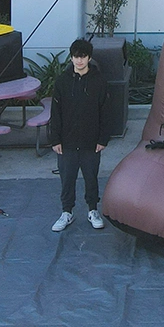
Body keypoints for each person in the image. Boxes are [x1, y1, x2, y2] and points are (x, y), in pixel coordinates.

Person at [49, 38, 110, 231]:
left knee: (91, 177)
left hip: (91, 142)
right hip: (66, 142)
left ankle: (93, 210)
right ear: (71, 58)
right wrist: (55, 139)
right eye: (76, 56)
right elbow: (55, 113)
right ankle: (66, 212)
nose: (79, 60)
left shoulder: (99, 82)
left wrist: (103, 139)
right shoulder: (62, 82)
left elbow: (106, 112)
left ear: (89, 58)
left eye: (83, 56)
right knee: (67, 178)